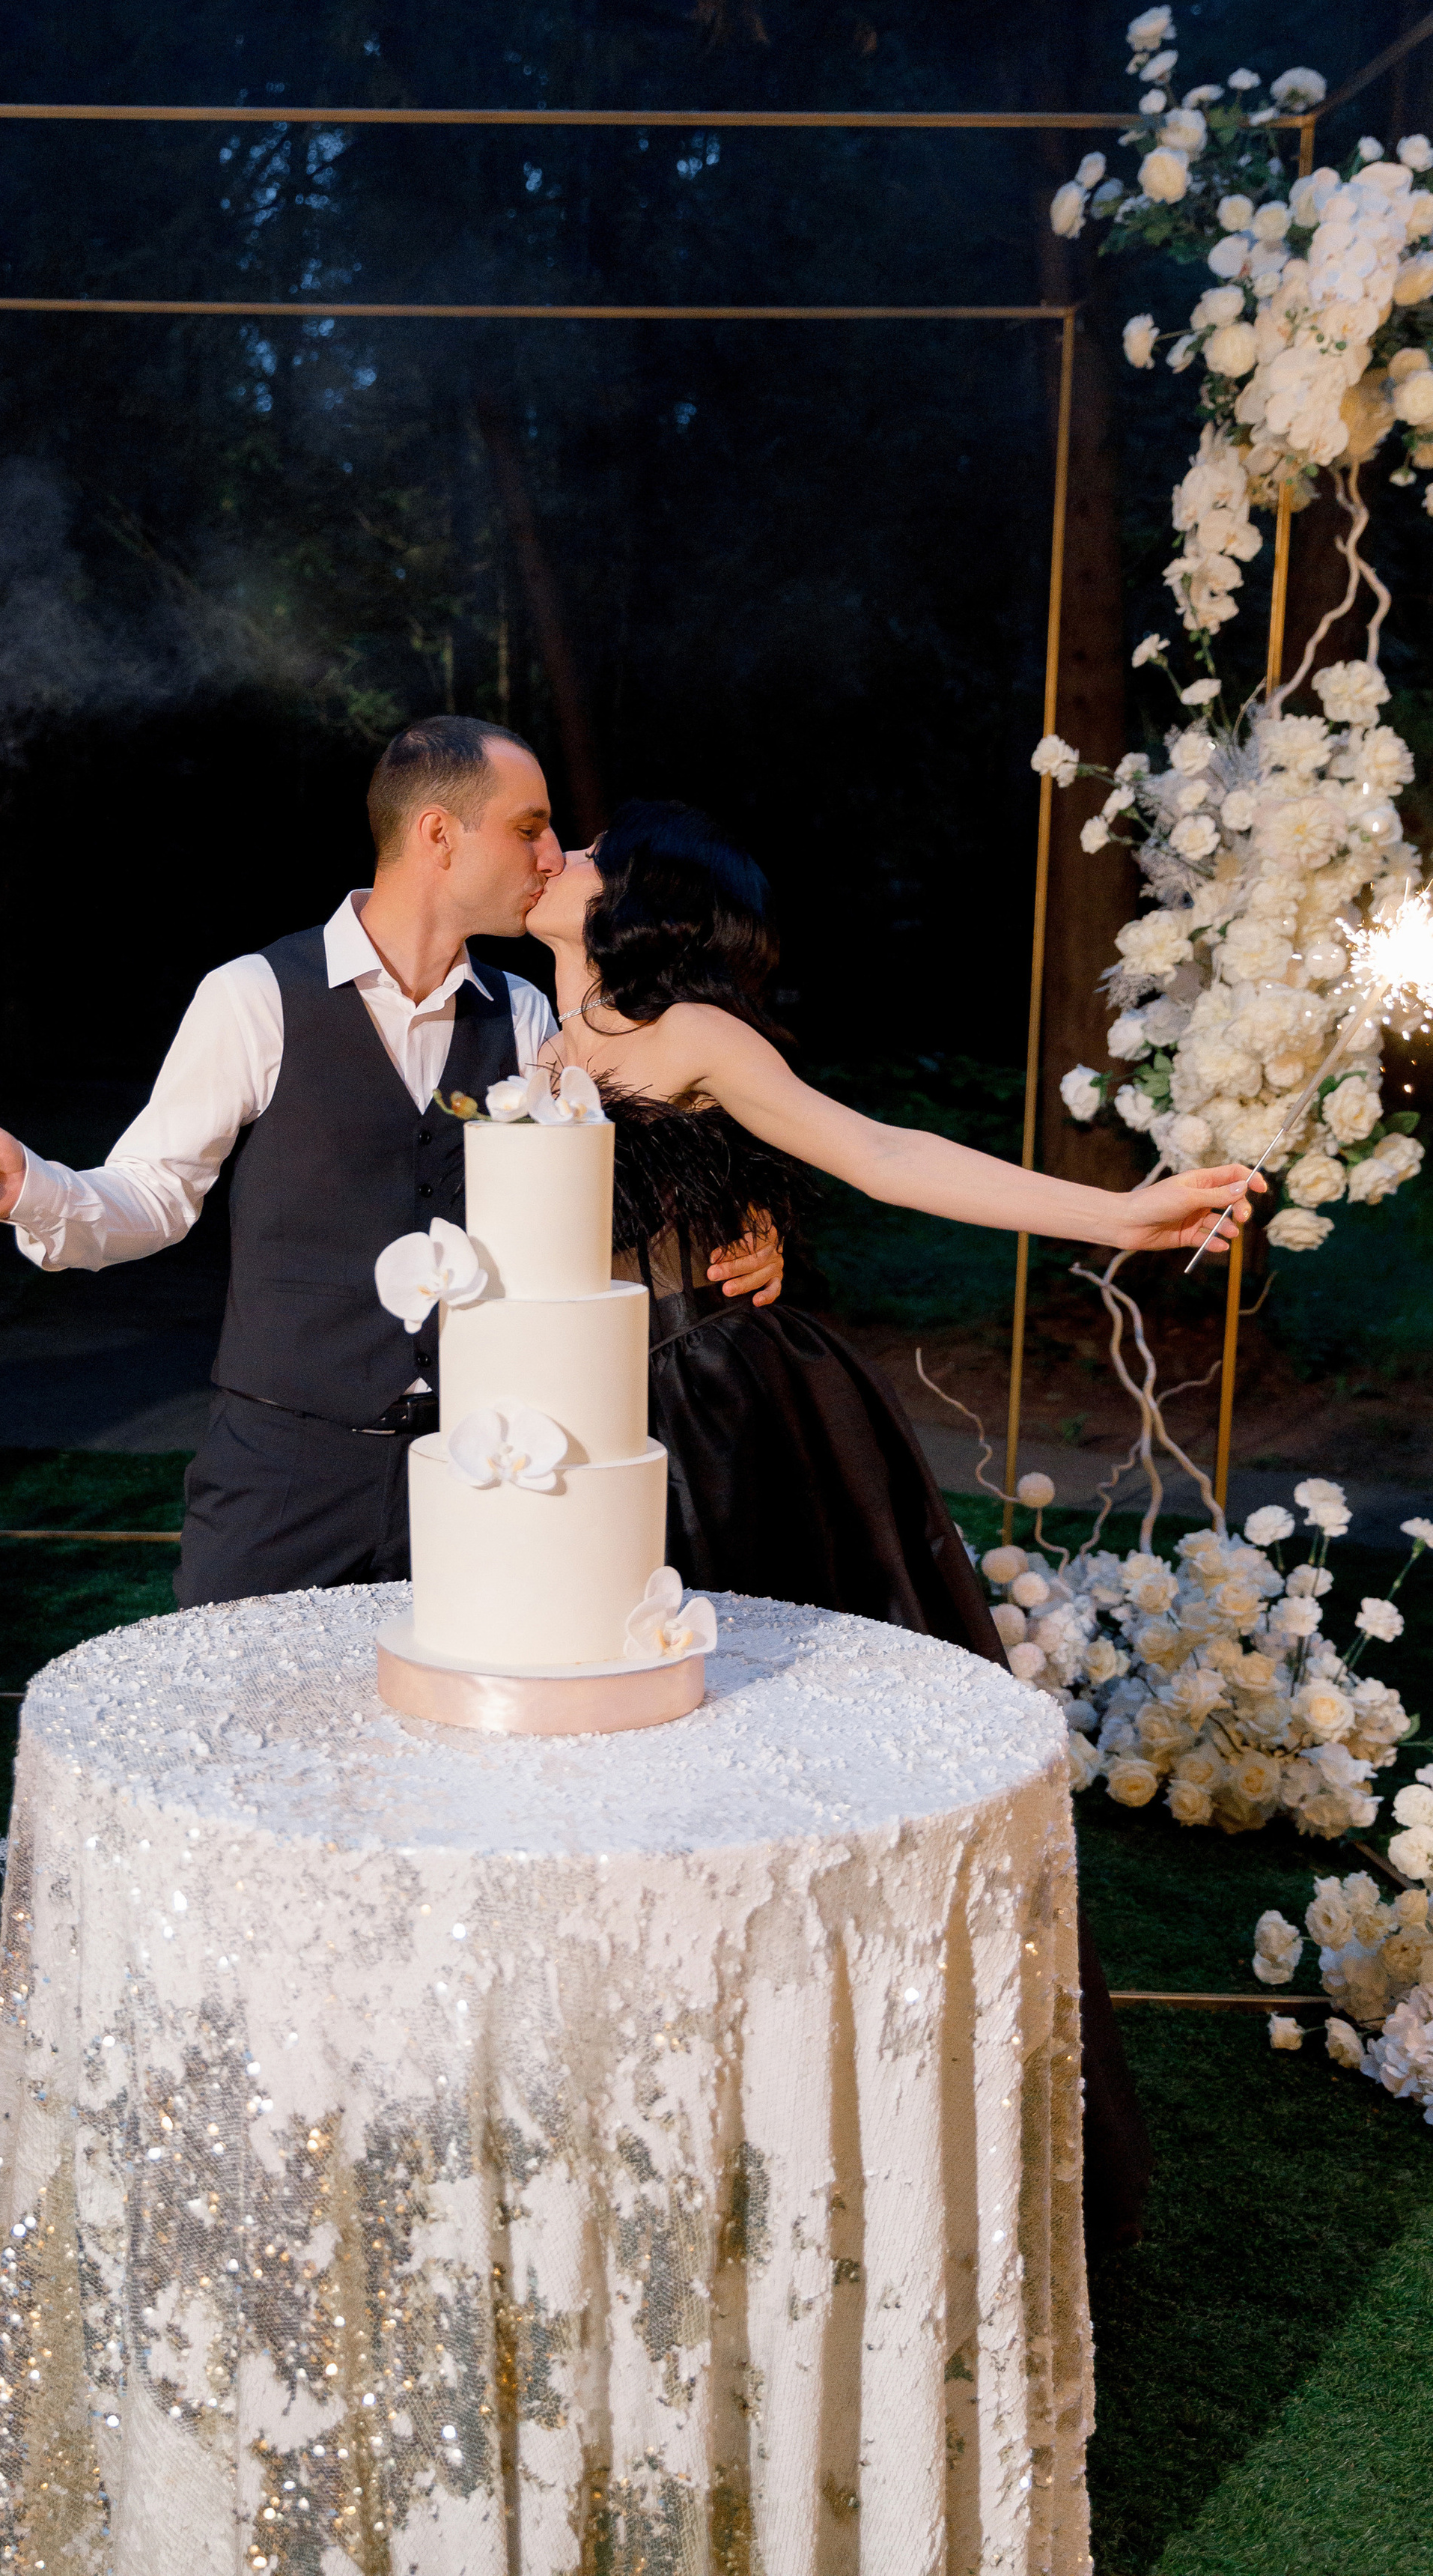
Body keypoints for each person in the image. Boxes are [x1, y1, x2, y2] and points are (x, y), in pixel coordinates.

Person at [523, 797, 1265, 2248]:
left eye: (596, 847)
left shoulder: (692, 1039)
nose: (563, 854)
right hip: (581, 1425)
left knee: (768, 1782)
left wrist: (1118, 1217)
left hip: (723, 1422)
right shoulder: (518, 1021)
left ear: (645, 905)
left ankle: (844, 2151)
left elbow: (883, 1153)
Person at [0, 720, 782, 1606]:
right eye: (529, 828)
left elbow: (583, 1220)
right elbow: (155, 1194)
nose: (552, 855)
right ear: (439, 835)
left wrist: (731, 1236)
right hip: (280, 1477)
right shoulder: (254, 997)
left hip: (479, 1469)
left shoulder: (525, 1020)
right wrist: (34, 1189)